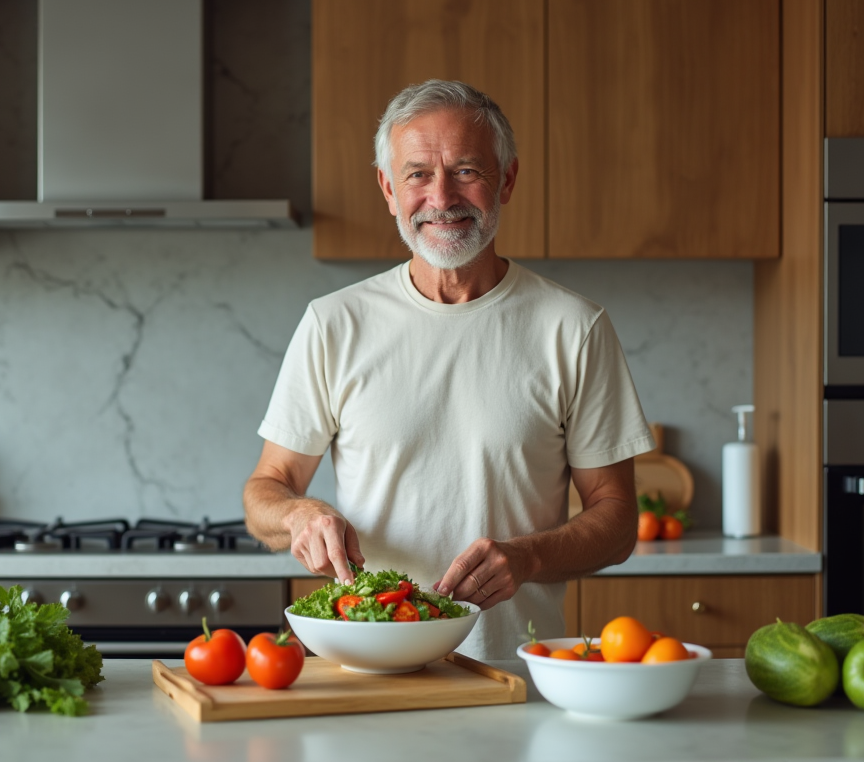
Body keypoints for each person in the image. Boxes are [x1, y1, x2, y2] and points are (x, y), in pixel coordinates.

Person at [243, 79, 655, 659]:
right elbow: (266, 489)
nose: (441, 197)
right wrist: (300, 513)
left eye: (466, 171)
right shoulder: (333, 324)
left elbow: (615, 520)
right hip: (369, 667)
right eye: (417, 174)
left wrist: (529, 556)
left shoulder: (574, 328)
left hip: (513, 674)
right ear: (388, 189)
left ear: (506, 180)